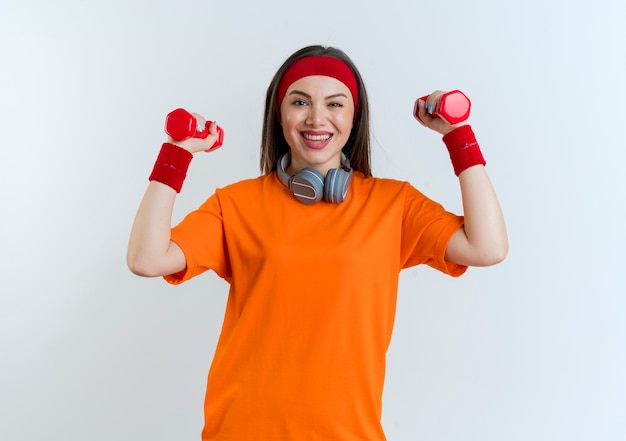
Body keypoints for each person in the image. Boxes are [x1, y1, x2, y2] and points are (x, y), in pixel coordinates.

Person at [127, 45, 508, 441]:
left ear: (353, 117)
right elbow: (147, 258)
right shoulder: (236, 204)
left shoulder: (393, 205)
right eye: (300, 101)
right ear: (280, 114)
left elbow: (487, 247)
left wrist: (459, 135)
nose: (316, 117)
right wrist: (176, 154)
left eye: (335, 104)